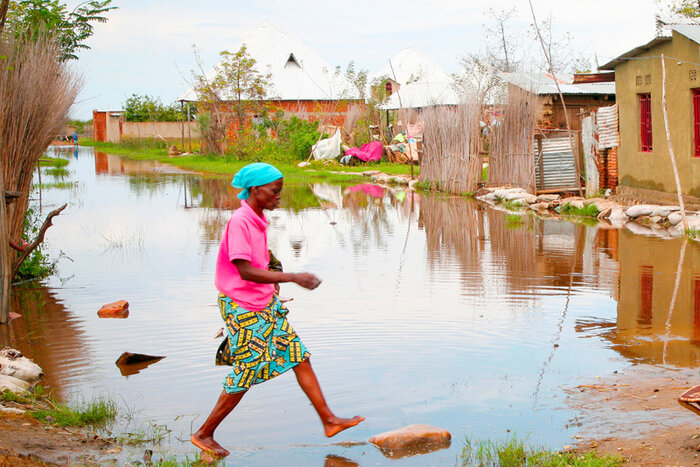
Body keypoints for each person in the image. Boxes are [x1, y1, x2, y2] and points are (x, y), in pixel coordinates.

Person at [191, 163, 364, 457]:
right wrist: (293, 277)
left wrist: (275, 274)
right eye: (275, 191)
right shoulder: (241, 221)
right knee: (246, 372)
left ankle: (329, 420)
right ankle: (204, 434)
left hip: (262, 302)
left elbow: (260, 261)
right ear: (256, 190)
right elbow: (244, 271)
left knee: (298, 356)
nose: (278, 197)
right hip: (243, 307)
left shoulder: (257, 219)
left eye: (280, 191)